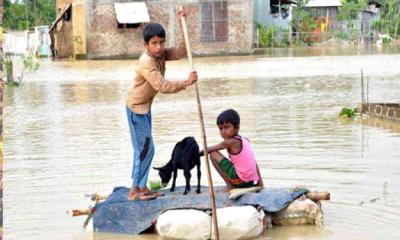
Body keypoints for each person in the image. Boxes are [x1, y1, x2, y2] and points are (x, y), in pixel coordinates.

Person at [126, 6, 198, 201]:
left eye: (161, 43)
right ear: (146, 45)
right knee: (145, 149)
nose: (158, 47)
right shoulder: (146, 62)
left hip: (145, 108)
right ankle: (135, 190)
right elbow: (162, 86)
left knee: (145, 149)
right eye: (154, 43)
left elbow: (182, 51)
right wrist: (186, 82)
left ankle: (141, 186)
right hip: (136, 110)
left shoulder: (161, 54)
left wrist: (185, 23)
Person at [200, 109, 263, 191]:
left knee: (213, 154)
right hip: (250, 181)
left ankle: (229, 185)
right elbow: (253, 161)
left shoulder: (230, 142)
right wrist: (259, 181)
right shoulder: (245, 139)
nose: (223, 131)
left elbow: (207, 150)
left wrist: (196, 154)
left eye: (226, 127)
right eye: (220, 128)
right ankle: (259, 181)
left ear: (237, 128)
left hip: (240, 180)